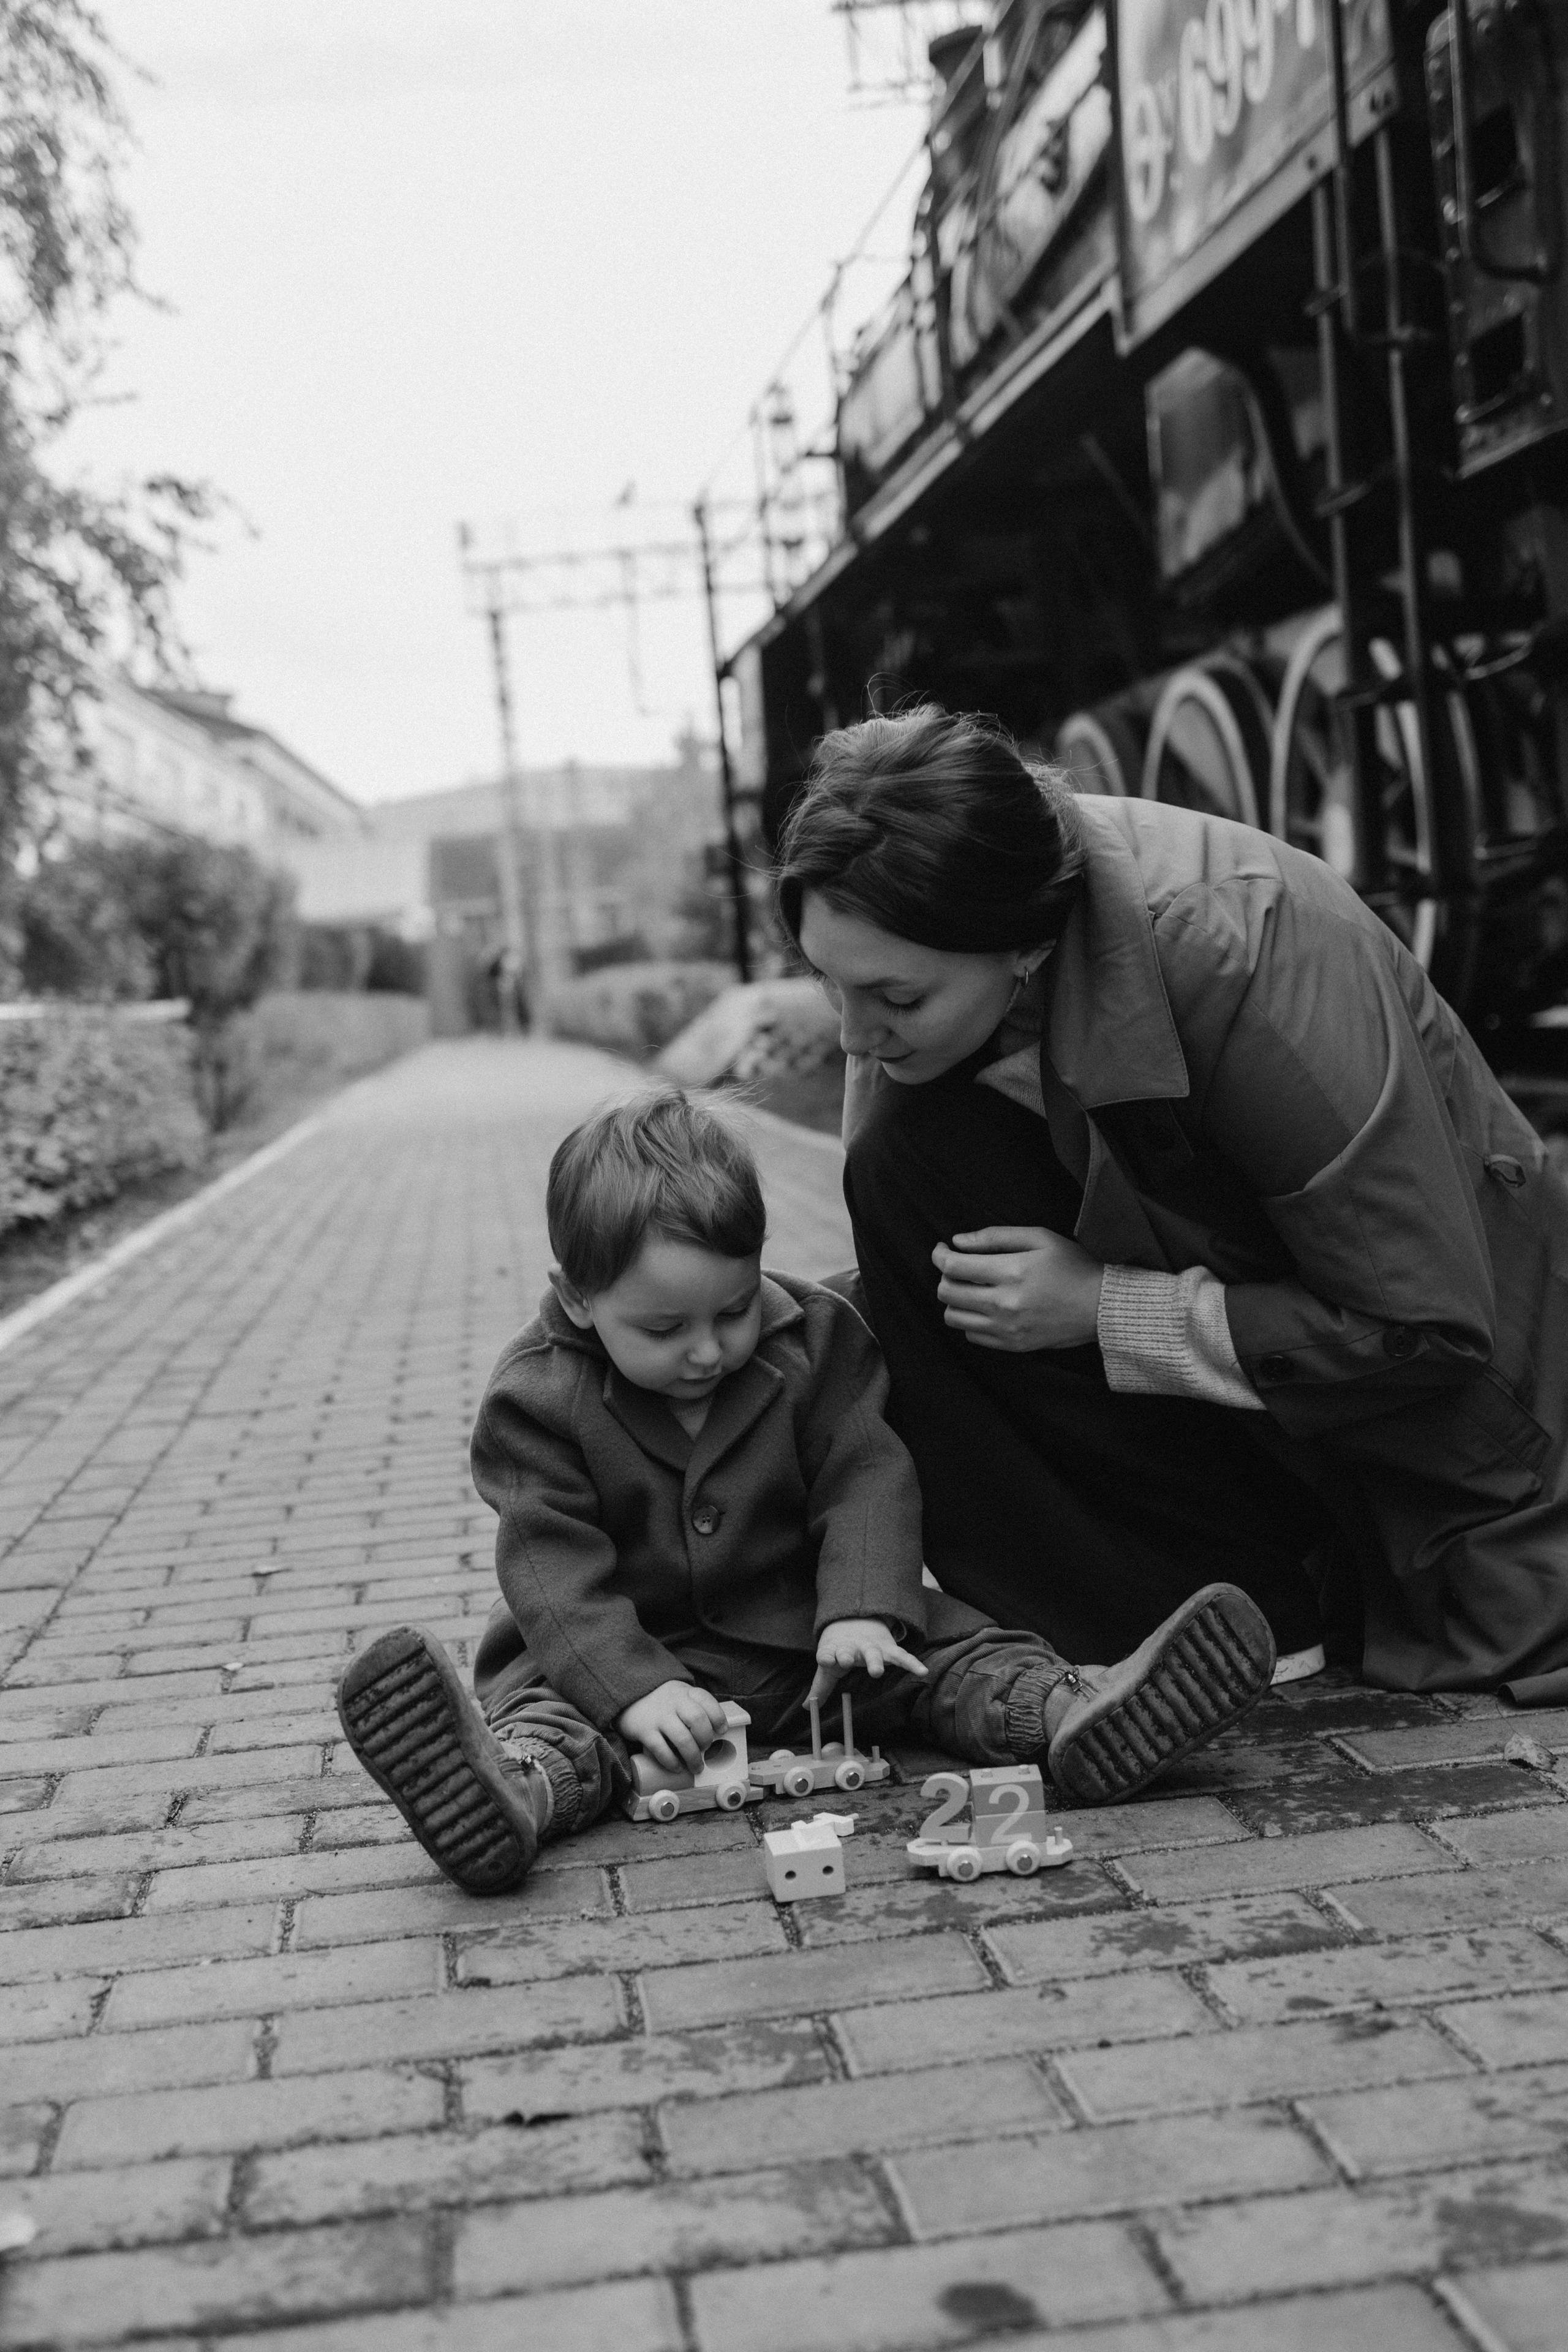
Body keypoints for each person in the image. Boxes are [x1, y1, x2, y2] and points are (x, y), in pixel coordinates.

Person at [775, 703, 1568, 1704]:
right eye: (828, 986)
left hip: (1448, 1408)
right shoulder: (952, 928)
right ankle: (1103, 1641)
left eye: (897, 1000)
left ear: (1021, 945)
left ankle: (1260, 1612)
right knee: (900, 1170)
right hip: (1265, 1358)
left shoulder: (1250, 953)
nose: (855, 1036)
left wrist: (1108, 1307)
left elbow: (1425, 1326)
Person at [336, 1088, 1277, 1894]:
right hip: (628, 1659)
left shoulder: (816, 1340)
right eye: (664, 1329)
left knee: (954, 1657)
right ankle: (514, 1791)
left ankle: (1074, 1713)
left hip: (810, 1644)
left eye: (734, 1309)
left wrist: (864, 1609)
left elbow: (864, 1469)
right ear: (578, 1298)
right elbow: (550, 1570)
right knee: (564, 1725)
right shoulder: (537, 1399)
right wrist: (633, 1691)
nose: (708, 1350)